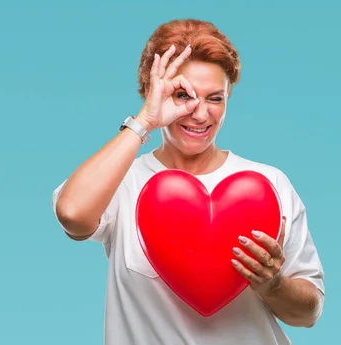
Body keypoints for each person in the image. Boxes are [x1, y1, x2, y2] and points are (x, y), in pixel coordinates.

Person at [51, 18, 325, 345]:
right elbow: (72, 214)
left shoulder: (269, 186)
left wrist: (274, 285)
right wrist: (145, 121)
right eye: (183, 95)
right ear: (151, 92)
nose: (199, 114)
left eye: (215, 98)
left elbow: (307, 314)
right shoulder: (123, 180)